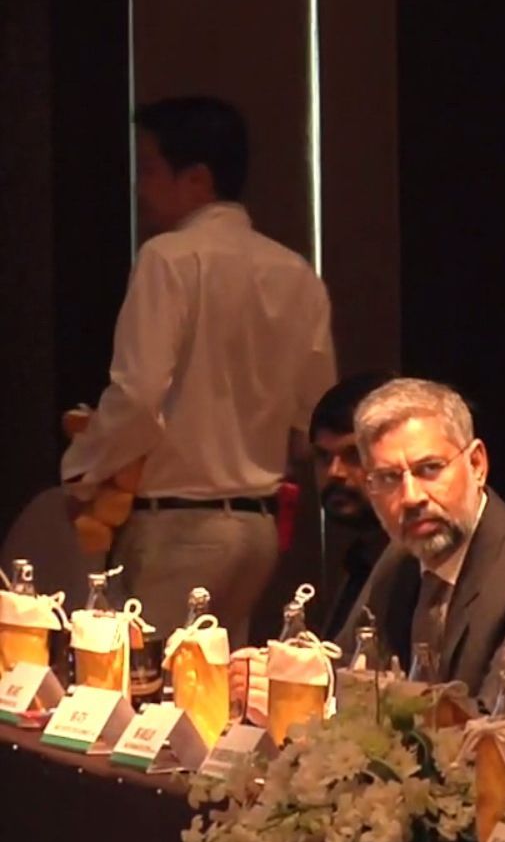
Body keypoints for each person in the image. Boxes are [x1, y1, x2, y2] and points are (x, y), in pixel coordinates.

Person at [60, 96, 336, 637]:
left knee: (151, 682)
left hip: (179, 523)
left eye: (149, 169)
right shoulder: (296, 272)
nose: (140, 187)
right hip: (258, 528)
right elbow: (313, 420)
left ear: (196, 180)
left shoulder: (169, 257)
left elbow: (138, 395)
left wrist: (82, 473)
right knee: (216, 684)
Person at [352, 378, 505, 733]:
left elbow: (496, 731)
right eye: (389, 478)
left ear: (477, 464)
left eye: (429, 468)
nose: (411, 497)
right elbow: (346, 675)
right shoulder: (400, 557)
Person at [307, 370, 396, 640]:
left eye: (354, 455)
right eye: (323, 456)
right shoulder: (361, 557)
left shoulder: (421, 566)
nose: (334, 472)